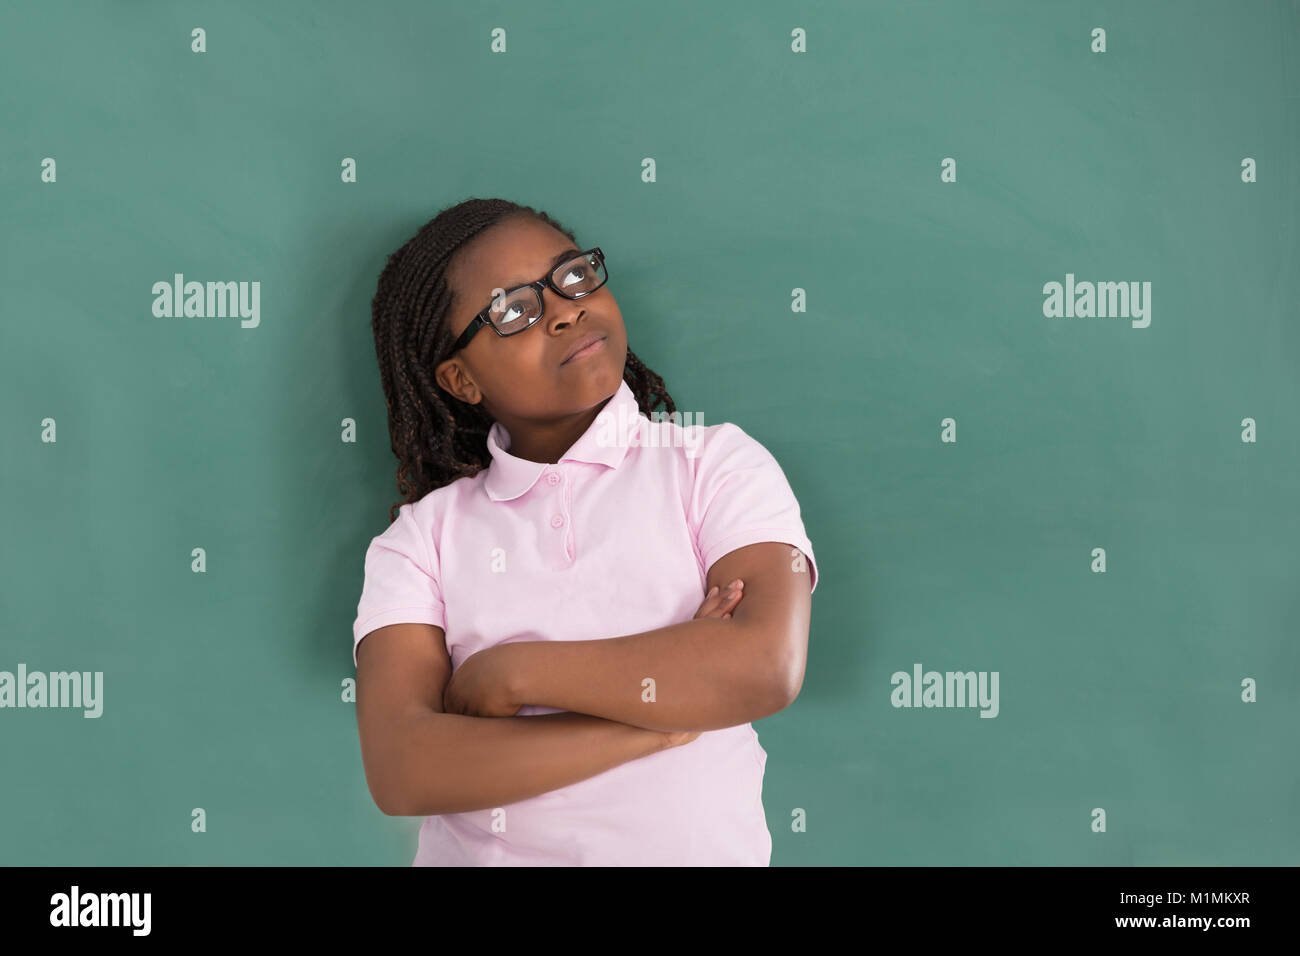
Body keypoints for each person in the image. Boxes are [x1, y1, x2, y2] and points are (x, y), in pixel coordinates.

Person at [354, 197, 819, 865]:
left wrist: (513, 673)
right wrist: (661, 723)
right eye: (514, 309)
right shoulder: (421, 541)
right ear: (460, 378)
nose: (566, 308)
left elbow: (763, 667)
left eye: (572, 276)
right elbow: (406, 770)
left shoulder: (712, 465)